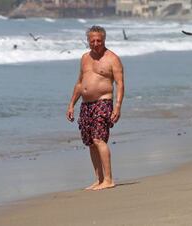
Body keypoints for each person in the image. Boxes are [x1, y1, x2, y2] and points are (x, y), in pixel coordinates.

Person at [66, 25, 125, 191]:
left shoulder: (112, 58)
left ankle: (109, 179)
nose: (96, 43)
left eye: (99, 40)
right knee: (91, 143)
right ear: (88, 41)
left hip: (103, 102)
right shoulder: (85, 58)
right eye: (92, 41)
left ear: (104, 39)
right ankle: (99, 180)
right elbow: (79, 83)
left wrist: (118, 106)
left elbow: (120, 84)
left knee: (99, 139)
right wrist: (71, 104)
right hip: (86, 105)